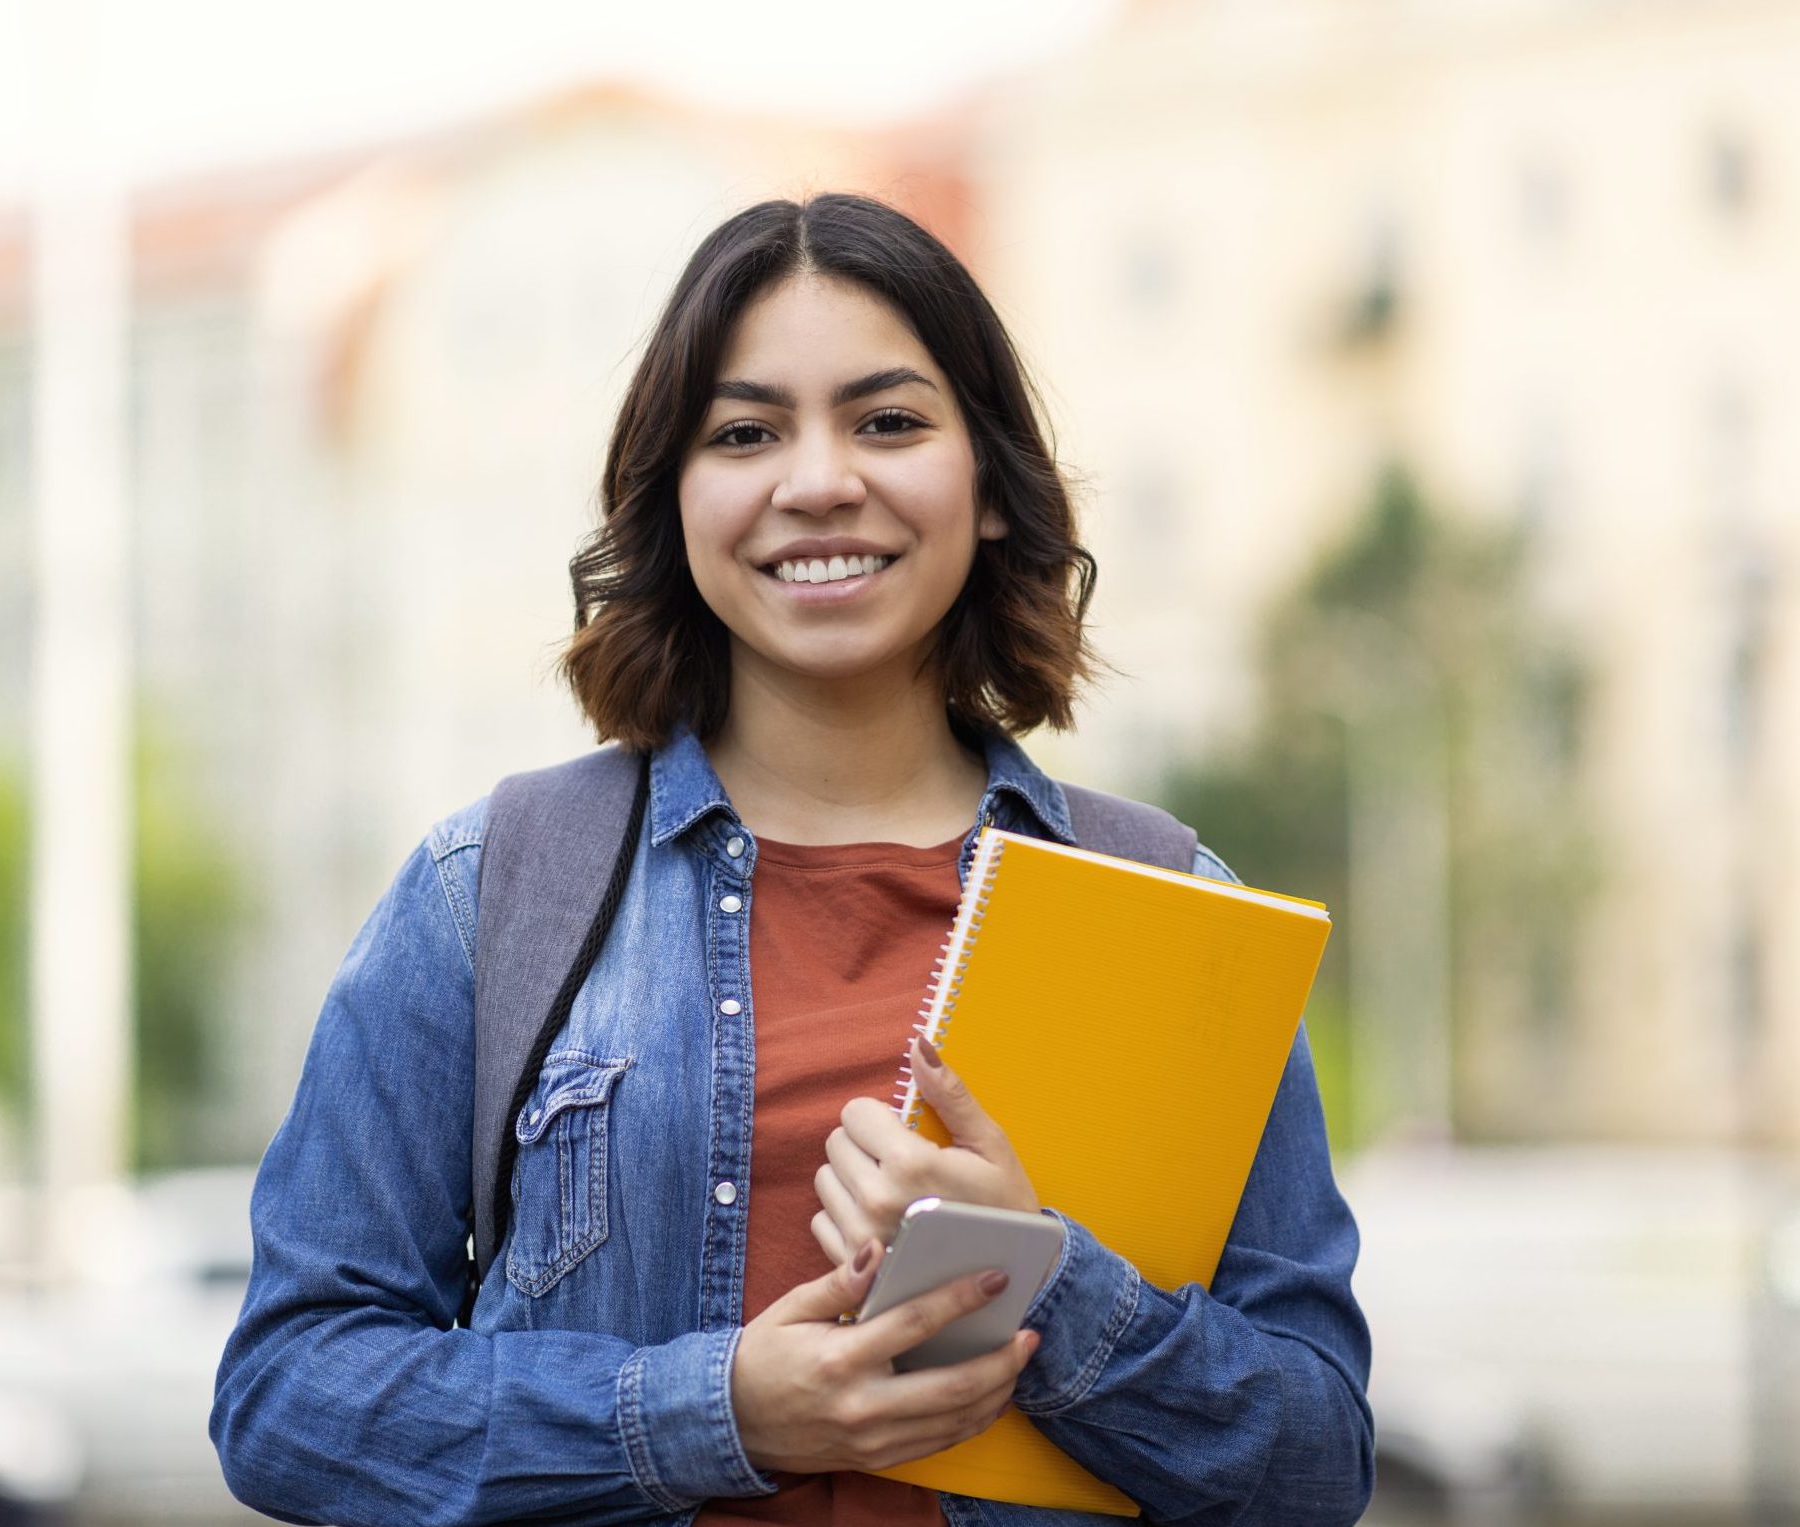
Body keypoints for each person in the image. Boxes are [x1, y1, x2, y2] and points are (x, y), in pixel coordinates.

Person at [210, 191, 1374, 1526]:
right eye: (746, 432)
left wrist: (1042, 1281)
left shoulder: (1172, 913)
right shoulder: (491, 890)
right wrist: (715, 1416)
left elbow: (1312, 1461)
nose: (818, 479)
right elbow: (289, 1398)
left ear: (989, 486)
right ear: (676, 500)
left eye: (887, 421)